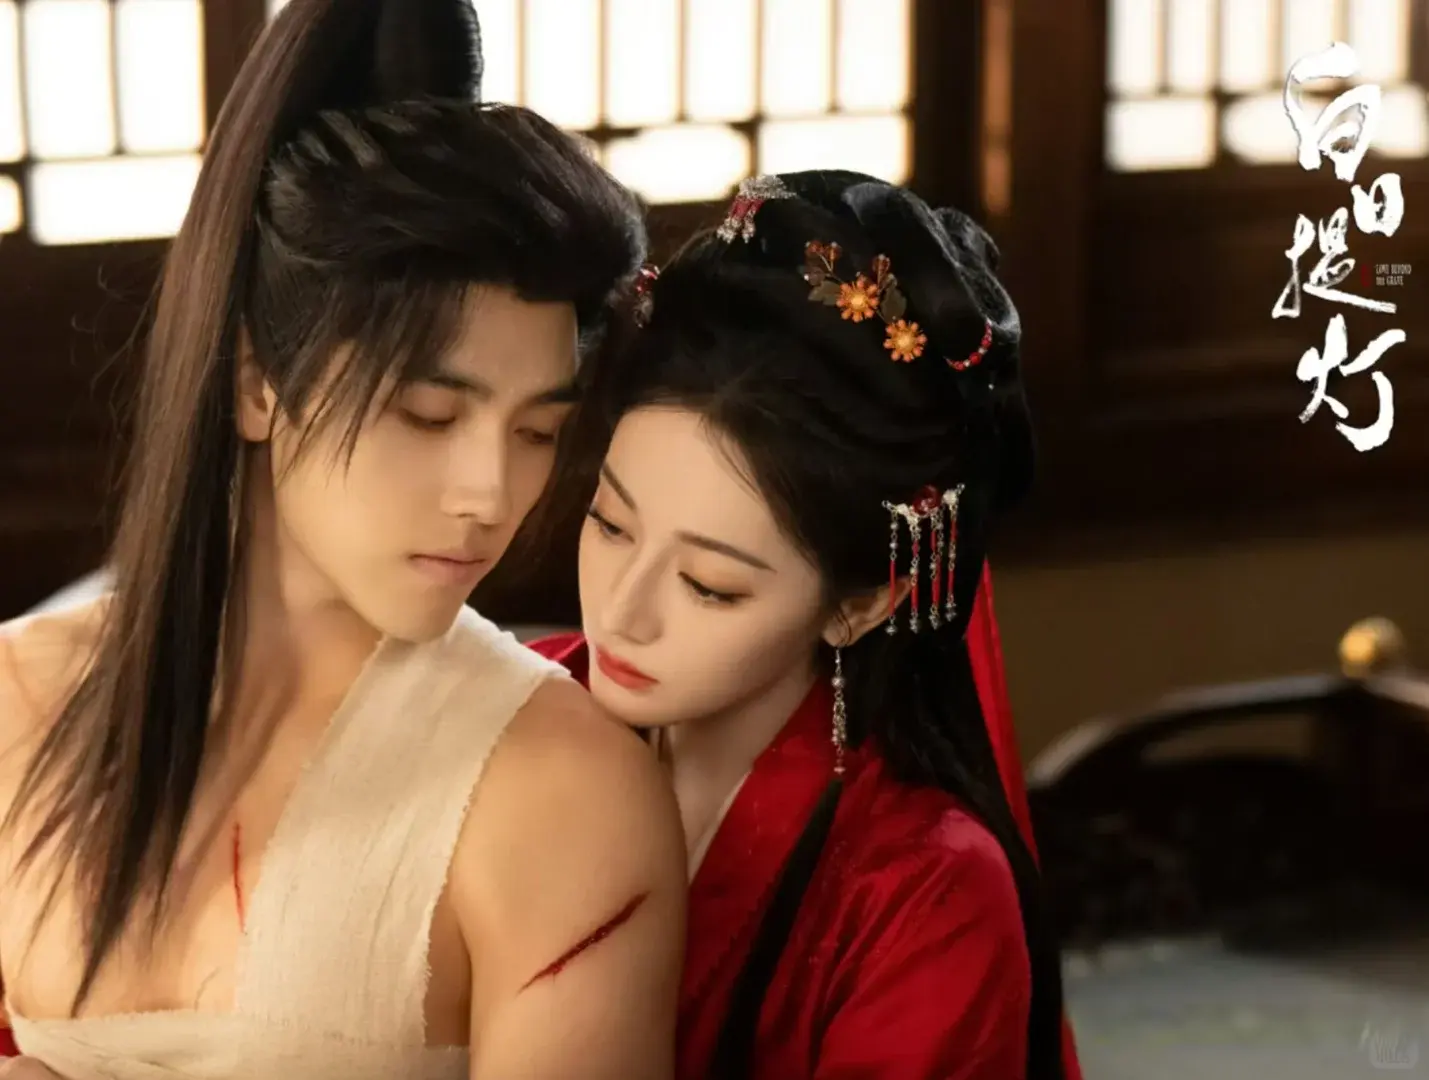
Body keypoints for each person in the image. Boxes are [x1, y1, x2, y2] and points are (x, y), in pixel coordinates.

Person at [0, 1, 686, 1078]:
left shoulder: (563, 788)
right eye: (428, 414)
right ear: (254, 384)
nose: (489, 493)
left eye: (536, 431)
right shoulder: (16, 700)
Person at [529, 170, 1083, 1079]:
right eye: (611, 525)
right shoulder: (513, 713)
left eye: (709, 585)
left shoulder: (924, 892)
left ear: (859, 604)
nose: (621, 613)